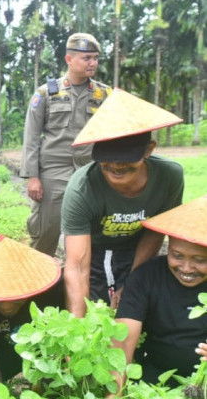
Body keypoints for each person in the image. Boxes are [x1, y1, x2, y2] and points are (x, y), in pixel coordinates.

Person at [61, 89, 184, 317]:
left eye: (126, 159)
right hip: (94, 248)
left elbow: (156, 232)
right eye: (107, 159)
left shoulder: (170, 177)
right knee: (96, 310)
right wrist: (76, 329)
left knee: (141, 307)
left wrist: (132, 280)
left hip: (138, 246)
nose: (116, 166)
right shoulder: (82, 187)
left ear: (149, 150)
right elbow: (77, 266)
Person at [20, 33, 112, 257]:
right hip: (54, 171)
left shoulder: (105, 95)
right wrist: (33, 177)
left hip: (92, 171)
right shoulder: (46, 93)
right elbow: (31, 136)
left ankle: (84, 285)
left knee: (92, 234)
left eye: (95, 58)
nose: (92, 63)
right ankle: (37, 286)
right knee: (45, 231)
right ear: (69, 59)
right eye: (86, 58)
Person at [113, 196, 207, 387]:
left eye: (199, 260)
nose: (187, 268)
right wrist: (115, 392)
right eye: (177, 256)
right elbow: (124, 337)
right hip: (153, 378)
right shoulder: (146, 277)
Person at [0, 235, 64, 382]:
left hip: (44, 348)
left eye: (16, 301)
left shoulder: (54, 292)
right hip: (1, 349)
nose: (7, 307)